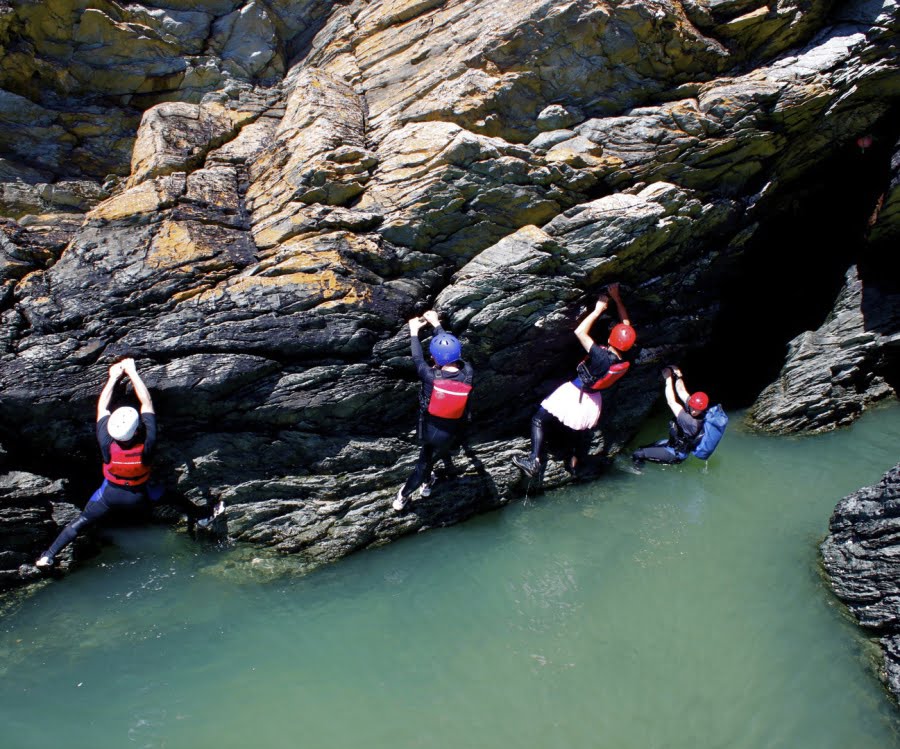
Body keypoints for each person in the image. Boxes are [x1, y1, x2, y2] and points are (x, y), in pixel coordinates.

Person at [35, 358, 224, 568]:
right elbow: (147, 403)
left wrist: (113, 377)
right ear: (136, 430)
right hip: (140, 496)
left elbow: (102, 406)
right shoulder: (146, 445)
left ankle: (48, 556)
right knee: (174, 497)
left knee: (79, 522)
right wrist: (133, 373)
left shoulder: (106, 443)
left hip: (109, 496)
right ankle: (202, 517)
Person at [512, 283, 634, 479]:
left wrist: (597, 310)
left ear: (611, 338)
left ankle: (533, 461)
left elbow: (580, 333)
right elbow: (626, 326)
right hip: (593, 401)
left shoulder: (600, 356)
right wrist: (616, 298)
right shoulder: (627, 356)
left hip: (575, 395)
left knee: (538, 419)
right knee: (580, 432)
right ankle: (575, 463)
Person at [393, 310, 474, 512]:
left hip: (431, 430)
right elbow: (455, 355)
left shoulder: (430, 375)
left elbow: (417, 357)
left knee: (423, 465)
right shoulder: (468, 372)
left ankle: (404, 496)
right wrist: (436, 324)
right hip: (455, 428)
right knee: (435, 455)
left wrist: (413, 332)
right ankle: (428, 482)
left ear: (433, 358)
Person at [631, 366, 709, 467]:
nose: (693, 411)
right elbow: (681, 391)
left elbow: (671, 402)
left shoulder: (691, 422)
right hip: (672, 443)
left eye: (697, 409)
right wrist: (678, 376)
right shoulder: (695, 406)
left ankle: (638, 472)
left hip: (675, 454)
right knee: (641, 448)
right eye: (692, 407)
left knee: (638, 454)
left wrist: (668, 379)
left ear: (702, 409)